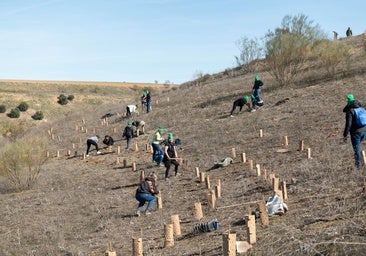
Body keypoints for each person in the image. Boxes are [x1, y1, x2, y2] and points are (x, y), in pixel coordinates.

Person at [343, 94, 366, 168]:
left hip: (356, 133)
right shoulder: (361, 108)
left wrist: (345, 135)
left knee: (357, 149)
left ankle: (358, 167)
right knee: (359, 147)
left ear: (347, 101)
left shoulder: (350, 111)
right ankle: (363, 161)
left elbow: (348, 124)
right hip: (364, 130)